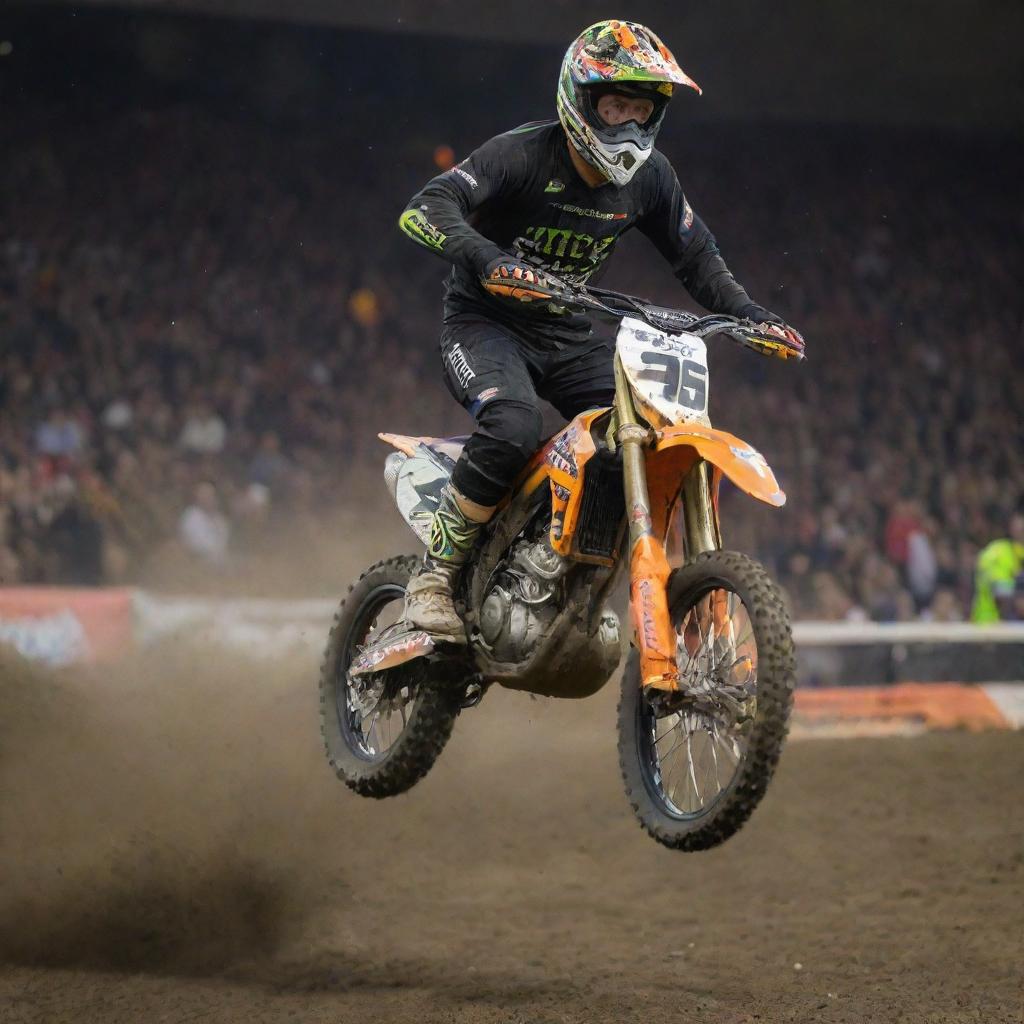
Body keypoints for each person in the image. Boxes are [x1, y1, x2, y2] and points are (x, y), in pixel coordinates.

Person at [398, 19, 804, 639]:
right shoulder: (523, 154)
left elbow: (696, 258)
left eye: (641, 112)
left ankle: (559, 566)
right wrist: (490, 260)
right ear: (580, 100)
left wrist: (751, 315)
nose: (628, 128)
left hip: (567, 331)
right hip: (485, 323)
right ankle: (434, 578)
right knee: (512, 426)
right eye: (615, 107)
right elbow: (424, 207)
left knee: (639, 433)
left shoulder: (650, 177)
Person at [970, 512, 1024, 622]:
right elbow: (1001, 594)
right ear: (1011, 528)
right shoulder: (997, 552)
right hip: (990, 627)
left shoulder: (1020, 553)